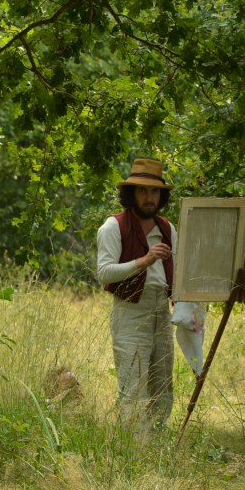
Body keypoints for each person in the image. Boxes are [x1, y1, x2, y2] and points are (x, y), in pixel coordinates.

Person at [95, 157, 178, 431]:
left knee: (162, 383)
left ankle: (156, 446)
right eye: (142, 191)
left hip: (161, 310)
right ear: (131, 194)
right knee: (132, 386)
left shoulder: (167, 228)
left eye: (154, 191)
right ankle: (133, 450)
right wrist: (144, 261)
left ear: (161, 196)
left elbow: (176, 271)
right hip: (130, 309)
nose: (149, 197)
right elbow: (104, 273)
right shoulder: (113, 226)